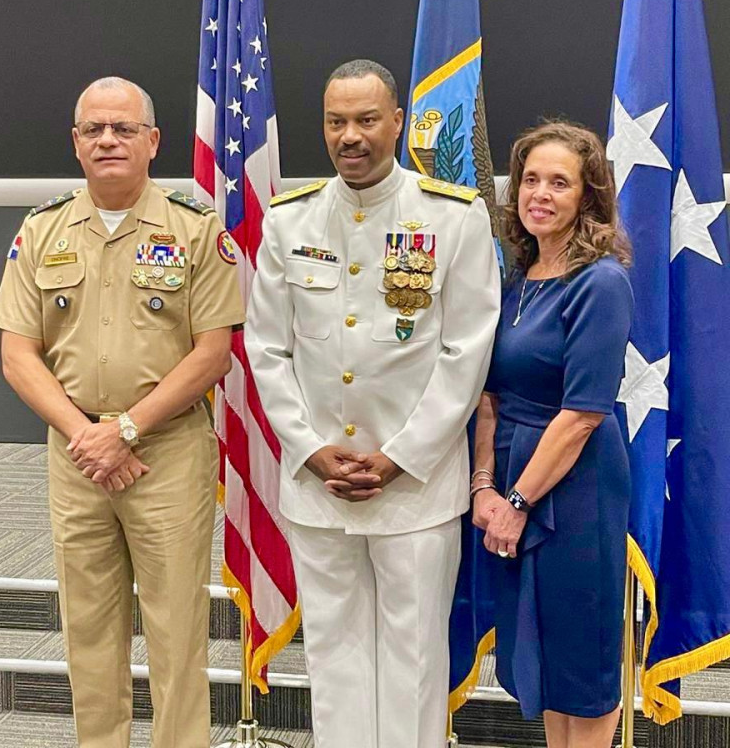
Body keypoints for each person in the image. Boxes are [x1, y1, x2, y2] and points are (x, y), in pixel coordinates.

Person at [244, 59, 501, 748]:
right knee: (333, 654)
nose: (349, 136)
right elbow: (267, 349)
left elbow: (466, 354)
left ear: (396, 122)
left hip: (414, 487)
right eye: (335, 121)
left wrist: (400, 456)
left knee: (415, 658)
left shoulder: (454, 215)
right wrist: (307, 447)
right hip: (318, 484)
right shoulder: (290, 218)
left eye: (364, 120)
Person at [0, 76, 245, 748]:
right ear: (75, 143)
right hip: (79, 461)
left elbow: (212, 354)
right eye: (94, 130)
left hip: (167, 454)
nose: (108, 140)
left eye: (123, 129)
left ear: (153, 142)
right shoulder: (41, 231)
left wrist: (126, 430)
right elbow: (18, 356)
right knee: (88, 631)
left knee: (176, 632)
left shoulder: (195, 231)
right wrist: (89, 436)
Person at [471, 121, 633, 748]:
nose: (539, 193)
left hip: (575, 483)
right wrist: (486, 485)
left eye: (559, 183)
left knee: (582, 658)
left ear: (588, 196)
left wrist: (517, 503)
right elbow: (489, 396)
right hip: (512, 473)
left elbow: (583, 414)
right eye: (530, 180)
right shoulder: (516, 279)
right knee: (542, 651)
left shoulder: (600, 282)